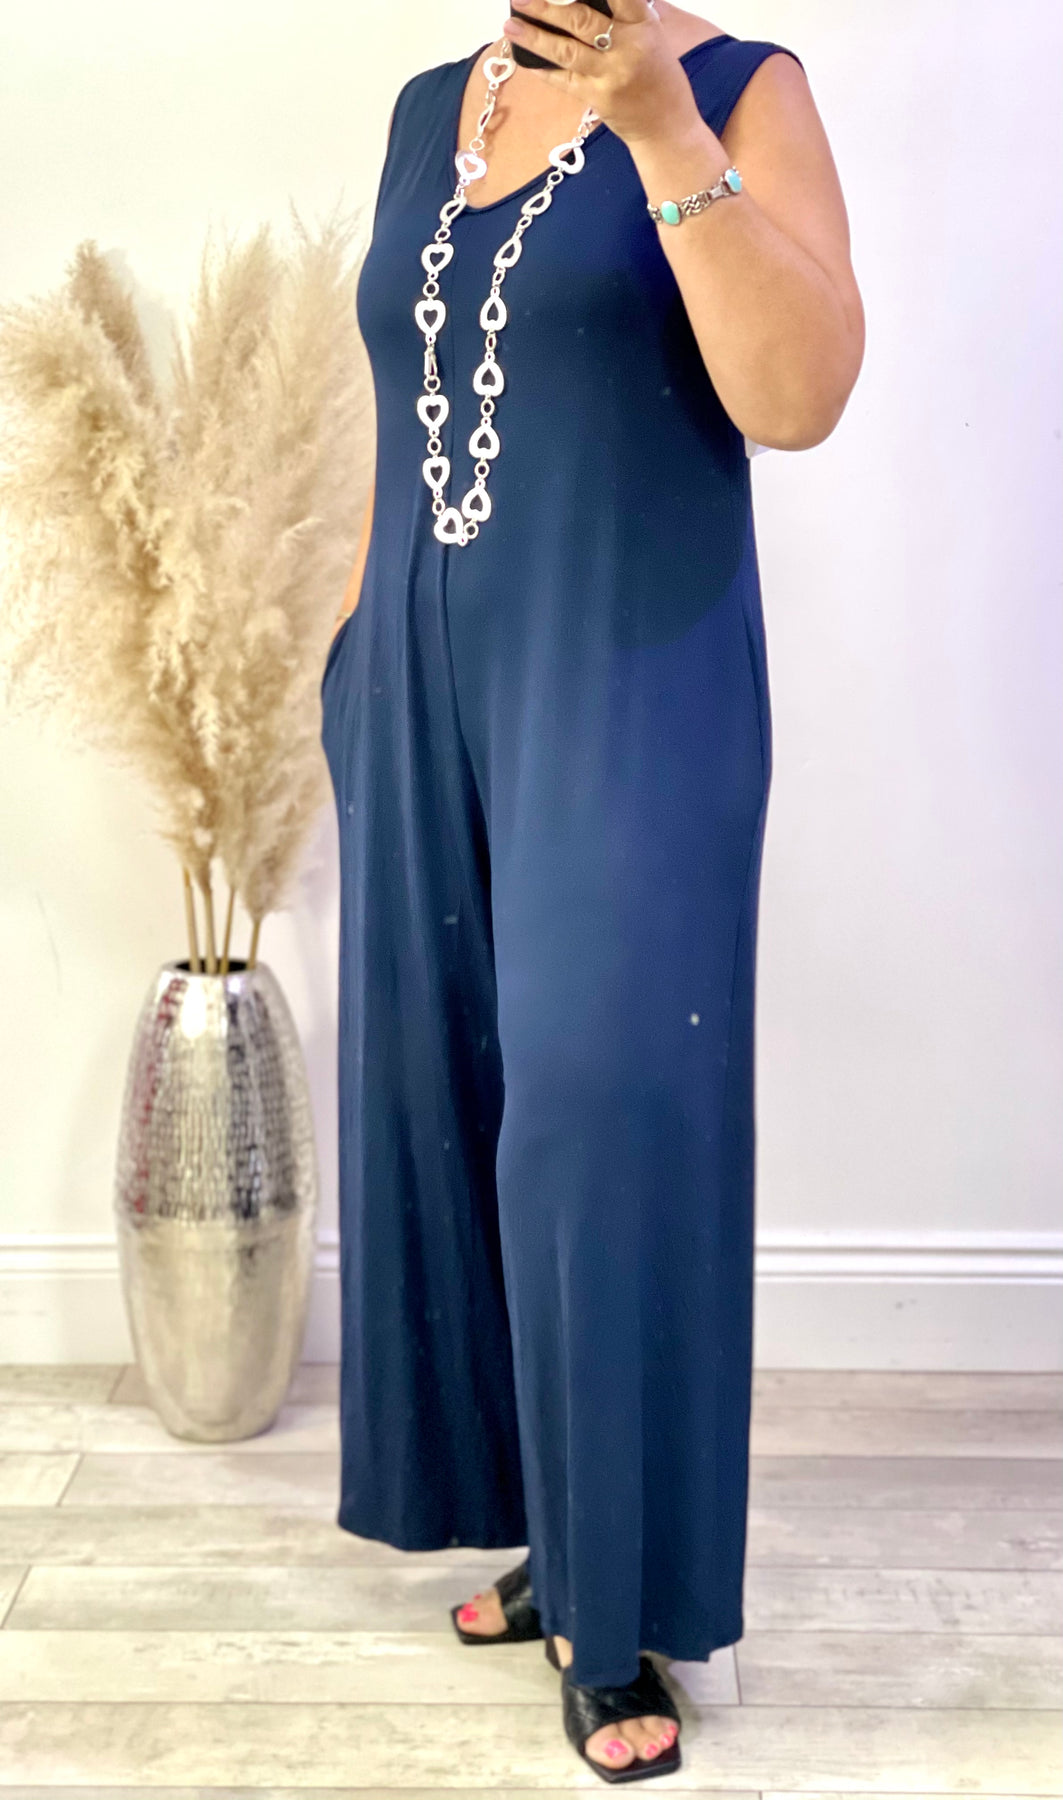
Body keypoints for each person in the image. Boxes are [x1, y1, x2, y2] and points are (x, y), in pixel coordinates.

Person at [320, 0, 863, 1782]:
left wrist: (663, 132)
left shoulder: (739, 92)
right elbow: (401, 403)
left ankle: (617, 1609)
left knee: (599, 1109)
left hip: (629, 675)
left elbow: (800, 398)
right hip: (418, 679)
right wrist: (354, 647)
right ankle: (554, 1532)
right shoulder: (430, 107)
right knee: (457, 1101)